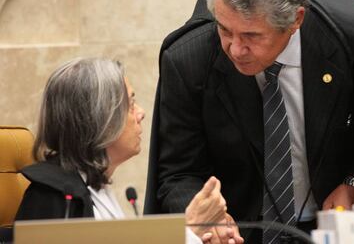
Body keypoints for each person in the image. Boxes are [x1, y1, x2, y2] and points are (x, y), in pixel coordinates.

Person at [145, 0, 354, 243]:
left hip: (331, 230)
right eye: (224, 30)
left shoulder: (345, 50)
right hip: (239, 234)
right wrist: (206, 215)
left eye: (251, 35)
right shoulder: (189, 60)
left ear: (295, 20)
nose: (235, 48)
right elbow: (178, 174)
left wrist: (353, 182)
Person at [14, 57, 242, 244]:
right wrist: (188, 232)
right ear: (100, 118)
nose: (141, 113)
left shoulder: (96, 189)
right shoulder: (53, 198)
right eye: (130, 104)